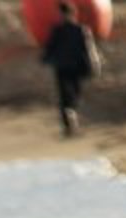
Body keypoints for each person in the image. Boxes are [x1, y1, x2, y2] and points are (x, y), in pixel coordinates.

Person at [40, 1, 101, 138]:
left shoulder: (67, 30)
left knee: (68, 97)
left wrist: (45, 59)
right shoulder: (79, 30)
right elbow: (89, 49)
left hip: (66, 67)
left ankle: (70, 125)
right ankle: (71, 125)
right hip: (71, 68)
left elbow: (50, 49)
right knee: (70, 97)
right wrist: (94, 64)